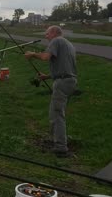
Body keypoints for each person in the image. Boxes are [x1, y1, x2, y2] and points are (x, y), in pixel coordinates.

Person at [24, 26, 77, 158]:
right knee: (56, 112)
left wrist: (32, 54)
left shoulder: (56, 41)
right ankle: (57, 139)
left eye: (47, 34)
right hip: (70, 81)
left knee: (57, 114)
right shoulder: (68, 44)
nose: (46, 37)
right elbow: (64, 67)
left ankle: (60, 147)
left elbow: (46, 57)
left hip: (62, 83)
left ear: (53, 33)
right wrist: (47, 76)